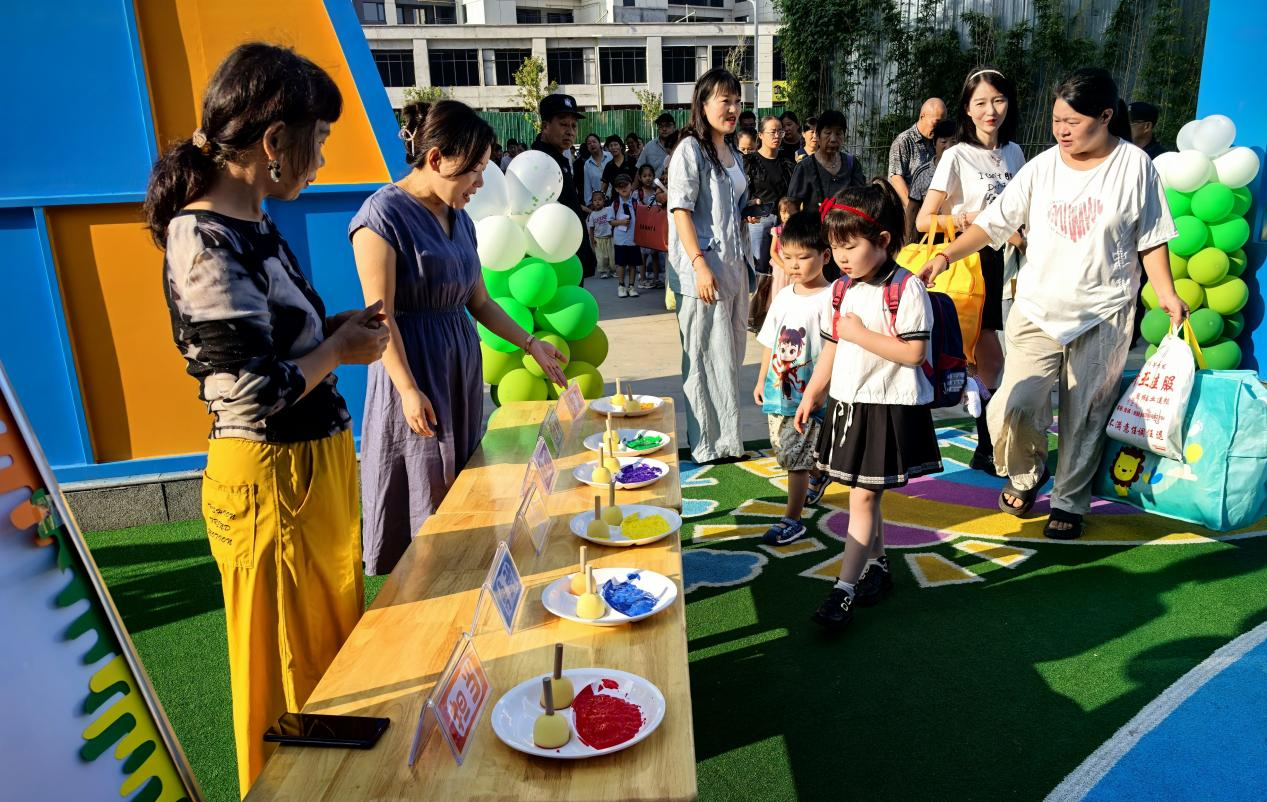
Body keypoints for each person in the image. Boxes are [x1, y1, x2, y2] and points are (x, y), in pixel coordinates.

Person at [144, 43, 391, 793]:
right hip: (271, 480)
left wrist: (335, 330)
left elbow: (275, 342)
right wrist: (338, 350)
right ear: (275, 140)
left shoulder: (252, 220)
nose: (323, 157)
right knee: (288, 682)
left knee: (330, 663)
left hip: (309, 472)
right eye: (319, 138)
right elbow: (248, 390)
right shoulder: (202, 235)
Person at [918, 67, 1187, 540]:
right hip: (1037, 308)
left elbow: (1151, 238)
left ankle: (1068, 500)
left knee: (1085, 414)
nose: (1062, 130)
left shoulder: (1135, 167)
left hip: (1104, 312)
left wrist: (1166, 292)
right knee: (1013, 405)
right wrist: (945, 255)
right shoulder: (1041, 167)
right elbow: (993, 224)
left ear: (1106, 116)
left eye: (1073, 122)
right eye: (1056, 120)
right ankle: (1026, 473)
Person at [353, 100, 568, 576]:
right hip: (414, 373)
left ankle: (463, 582)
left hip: (459, 370)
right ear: (436, 159)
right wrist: (407, 389)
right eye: (474, 171)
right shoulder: (381, 217)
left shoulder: (460, 218)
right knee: (422, 490)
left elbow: (481, 302)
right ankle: (422, 594)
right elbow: (380, 317)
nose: (481, 184)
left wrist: (530, 343)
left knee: (461, 489)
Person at [795, 180, 943, 630]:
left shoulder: (906, 288)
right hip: (849, 404)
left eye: (850, 246)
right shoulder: (841, 289)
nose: (840, 257)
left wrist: (859, 334)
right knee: (864, 494)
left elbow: (913, 353)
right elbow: (831, 347)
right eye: (835, 246)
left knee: (862, 495)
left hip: (886, 407)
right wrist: (812, 393)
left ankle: (842, 590)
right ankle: (877, 565)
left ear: (882, 240)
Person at [916, 67, 1026, 474]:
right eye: (980, 102)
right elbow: (924, 220)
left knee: (998, 357)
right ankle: (988, 444)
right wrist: (975, 219)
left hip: (1012, 263)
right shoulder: (956, 155)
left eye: (998, 100)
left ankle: (989, 444)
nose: (990, 110)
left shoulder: (1015, 153)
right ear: (967, 108)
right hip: (972, 263)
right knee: (988, 354)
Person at [668, 68, 753, 463]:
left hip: (734, 268)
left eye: (737, 101)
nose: (733, 108)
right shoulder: (690, 150)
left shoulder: (732, 152)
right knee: (703, 358)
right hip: (703, 271)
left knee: (729, 358)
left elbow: (727, 207)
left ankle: (729, 443)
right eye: (724, 100)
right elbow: (680, 210)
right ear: (703, 104)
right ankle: (706, 447)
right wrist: (699, 264)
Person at [754, 211, 834, 545]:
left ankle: (793, 518)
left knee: (794, 458)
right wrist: (761, 379)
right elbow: (769, 340)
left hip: (809, 395)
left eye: (803, 257)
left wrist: (820, 391)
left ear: (825, 256)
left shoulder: (832, 297)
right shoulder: (785, 295)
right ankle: (819, 472)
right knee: (784, 449)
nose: (794, 265)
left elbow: (834, 349)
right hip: (779, 390)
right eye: (787, 257)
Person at [787, 110, 867, 276]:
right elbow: (792, 204)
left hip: (847, 238)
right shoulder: (805, 167)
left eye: (839, 133)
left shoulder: (852, 164)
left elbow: (862, 199)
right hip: (816, 241)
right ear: (817, 135)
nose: (833, 139)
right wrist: (802, 237)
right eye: (828, 133)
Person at [533, 93, 597, 280]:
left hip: (571, 255)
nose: (570, 131)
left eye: (573, 125)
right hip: (558, 258)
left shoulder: (558, 157)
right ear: (545, 126)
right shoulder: (540, 162)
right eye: (563, 124)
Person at [745, 115, 795, 278]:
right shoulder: (750, 162)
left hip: (783, 221)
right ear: (760, 135)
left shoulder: (787, 162)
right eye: (772, 132)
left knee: (781, 268)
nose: (777, 136)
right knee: (758, 268)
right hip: (758, 221)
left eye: (780, 132)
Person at [888, 97, 947, 216]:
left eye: (942, 124)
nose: (939, 128)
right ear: (922, 116)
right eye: (936, 123)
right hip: (909, 214)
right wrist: (915, 212)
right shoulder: (904, 141)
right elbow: (896, 179)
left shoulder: (938, 142)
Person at [905, 119, 957, 243]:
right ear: (934, 143)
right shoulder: (923, 173)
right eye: (943, 141)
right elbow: (912, 209)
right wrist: (907, 239)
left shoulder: (967, 172)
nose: (949, 146)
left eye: (954, 142)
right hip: (929, 239)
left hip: (958, 237)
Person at [610, 173, 641, 297]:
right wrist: (621, 222)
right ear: (616, 189)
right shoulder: (615, 204)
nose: (623, 188)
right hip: (620, 240)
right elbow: (611, 221)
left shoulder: (635, 202)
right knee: (621, 263)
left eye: (626, 185)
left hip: (634, 239)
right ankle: (621, 286)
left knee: (633, 264)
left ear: (630, 186)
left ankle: (632, 286)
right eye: (620, 186)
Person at [635, 164, 665, 289]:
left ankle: (656, 278)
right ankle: (642, 279)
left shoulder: (656, 192)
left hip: (654, 228)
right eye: (645, 176)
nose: (648, 178)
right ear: (640, 178)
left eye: (650, 175)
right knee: (643, 255)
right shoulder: (637, 193)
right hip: (643, 228)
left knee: (655, 254)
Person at [767, 196, 801, 303]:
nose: (787, 216)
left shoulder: (801, 231)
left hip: (795, 266)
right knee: (779, 290)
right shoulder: (777, 231)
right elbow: (773, 252)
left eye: (791, 213)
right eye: (784, 212)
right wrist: (784, 266)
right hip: (780, 268)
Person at [587, 189, 616, 279]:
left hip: (609, 237)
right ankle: (604, 271)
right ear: (592, 202)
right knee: (601, 257)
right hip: (598, 239)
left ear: (604, 201)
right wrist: (592, 239)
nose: (597, 202)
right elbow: (591, 229)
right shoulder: (592, 215)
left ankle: (613, 270)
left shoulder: (608, 210)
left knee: (612, 255)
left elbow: (614, 220)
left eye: (600, 200)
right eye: (595, 200)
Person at [639, 111, 679, 176]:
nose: (664, 129)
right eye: (661, 126)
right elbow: (640, 169)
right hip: (654, 182)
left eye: (667, 126)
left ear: (674, 126)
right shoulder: (649, 147)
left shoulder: (680, 146)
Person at [577, 132, 611, 202]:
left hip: (615, 199)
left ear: (599, 143)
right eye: (589, 143)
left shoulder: (610, 156)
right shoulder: (587, 164)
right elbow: (587, 186)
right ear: (587, 147)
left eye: (594, 142)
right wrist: (589, 203)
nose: (592, 144)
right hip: (599, 203)